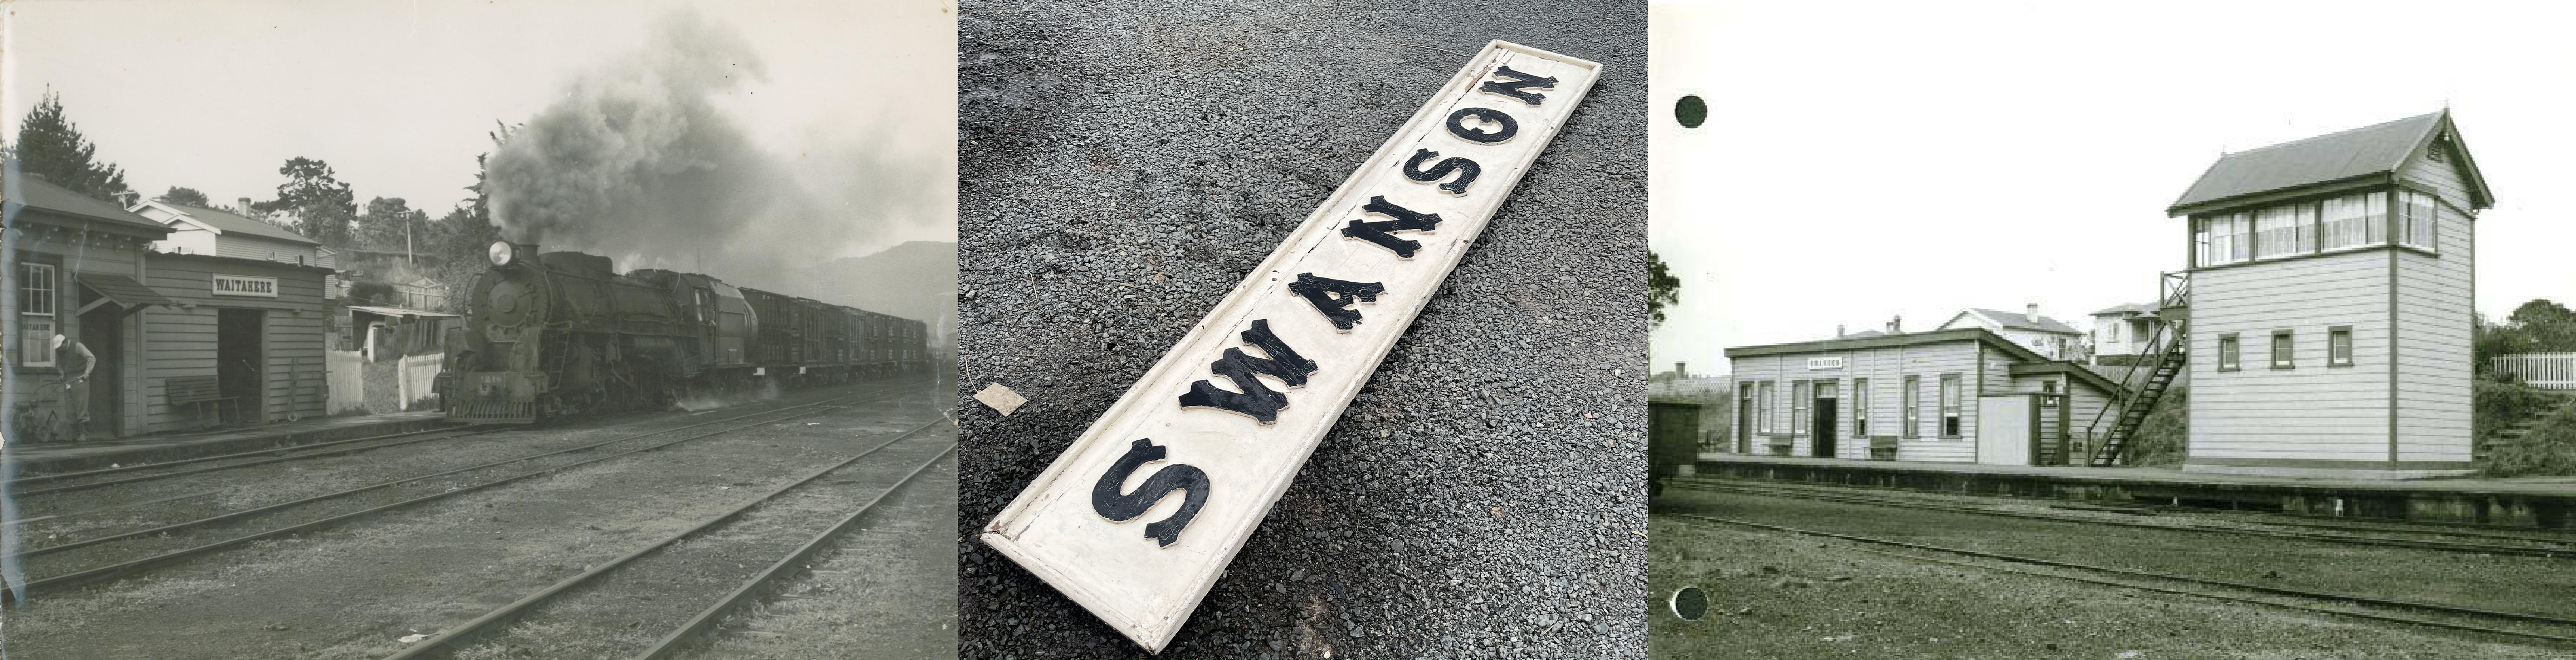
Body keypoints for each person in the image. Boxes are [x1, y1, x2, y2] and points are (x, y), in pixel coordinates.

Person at [52, 333, 93, 442]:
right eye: (58, 348)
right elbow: (59, 365)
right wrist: (62, 375)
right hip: (68, 380)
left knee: (81, 405)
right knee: (70, 408)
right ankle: (75, 434)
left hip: (80, 378)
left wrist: (87, 373)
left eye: (61, 347)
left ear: (65, 343)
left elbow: (91, 358)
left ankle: (85, 434)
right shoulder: (60, 352)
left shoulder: (78, 346)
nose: (60, 350)